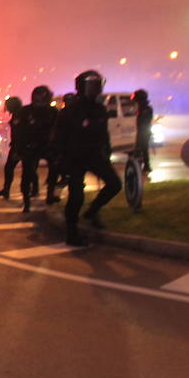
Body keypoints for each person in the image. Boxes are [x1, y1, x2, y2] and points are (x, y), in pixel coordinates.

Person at [52, 69, 121, 246]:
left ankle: (92, 212)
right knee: (76, 195)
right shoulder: (71, 110)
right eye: (92, 85)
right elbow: (59, 136)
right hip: (74, 156)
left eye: (98, 85)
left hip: (95, 154)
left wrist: (107, 148)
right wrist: (60, 159)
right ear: (82, 87)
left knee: (114, 184)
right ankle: (72, 231)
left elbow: (103, 132)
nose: (96, 89)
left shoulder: (100, 108)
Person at [17, 85, 60, 210]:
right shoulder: (25, 112)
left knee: (54, 171)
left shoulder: (53, 112)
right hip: (30, 146)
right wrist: (19, 149)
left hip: (48, 146)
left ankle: (50, 195)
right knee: (27, 174)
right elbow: (19, 131)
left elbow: (58, 130)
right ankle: (27, 201)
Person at [0, 96, 23, 199]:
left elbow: (20, 133)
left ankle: (7, 189)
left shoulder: (19, 115)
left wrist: (17, 148)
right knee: (27, 168)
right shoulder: (18, 114)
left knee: (12, 168)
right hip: (19, 145)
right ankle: (6, 189)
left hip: (20, 146)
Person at [133, 88, 153, 174]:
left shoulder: (145, 109)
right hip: (143, 131)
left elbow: (143, 121)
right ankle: (144, 165)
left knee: (142, 149)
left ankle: (146, 166)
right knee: (142, 149)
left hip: (143, 132)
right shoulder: (142, 108)